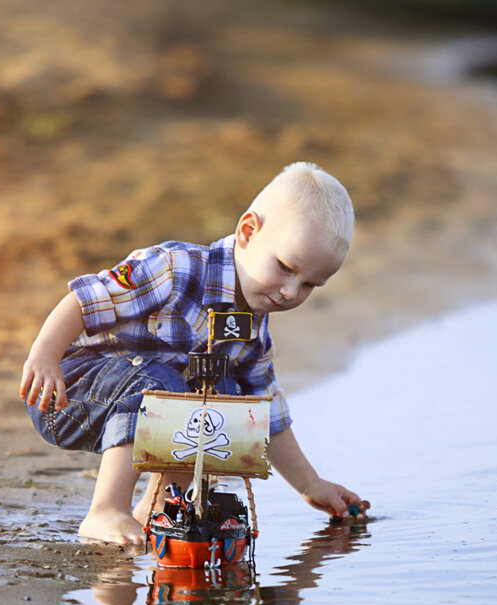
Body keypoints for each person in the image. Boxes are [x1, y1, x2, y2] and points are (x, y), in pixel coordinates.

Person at [20, 161, 364, 548]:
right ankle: (105, 509)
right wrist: (44, 355)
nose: (290, 292)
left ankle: (158, 511)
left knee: (226, 398)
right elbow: (86, 301)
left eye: (309, 285)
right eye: (286, 268)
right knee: (161, 385)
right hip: (69, 395)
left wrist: (311, 484)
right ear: (248, 232)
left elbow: (266, 413)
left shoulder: (251, 329)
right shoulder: (176, 268)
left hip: (140, 407)